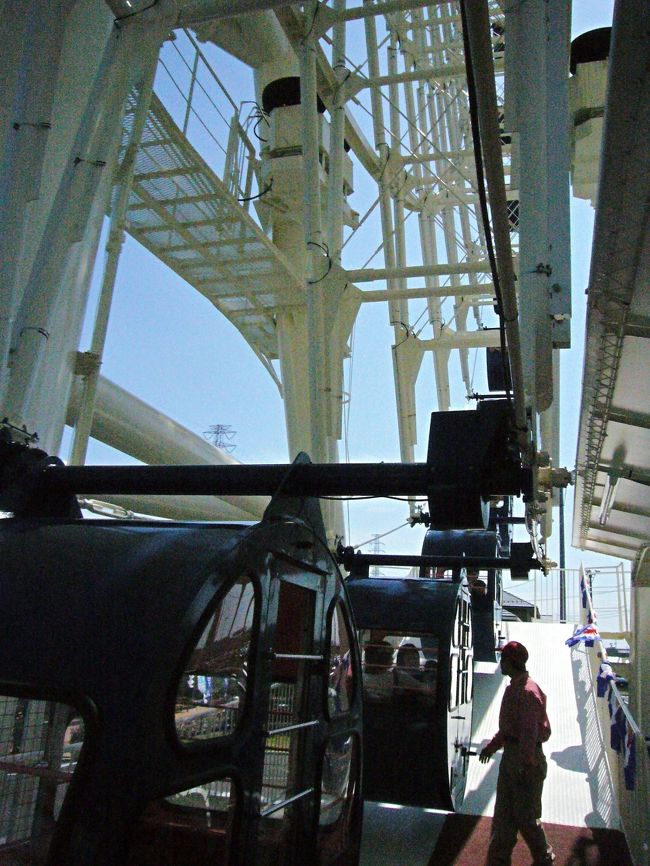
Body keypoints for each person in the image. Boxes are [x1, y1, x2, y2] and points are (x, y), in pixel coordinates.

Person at [479, 641, 555, 866]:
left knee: (526, 817)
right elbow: (509, 730)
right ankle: (498, 860)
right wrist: (492, 747)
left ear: (511, 662)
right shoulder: (514, 688)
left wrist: (525, 764)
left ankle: (544, 859)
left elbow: (529, 733)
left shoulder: (527, 692)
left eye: (502, 658)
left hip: (524, 760)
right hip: (512, 758)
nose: (500, 663)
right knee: (504, 815)